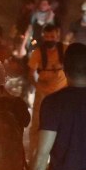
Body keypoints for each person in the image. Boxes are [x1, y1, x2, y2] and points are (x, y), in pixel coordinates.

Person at [27, 24, 67, 157]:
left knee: (63, 125)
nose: (50, 39)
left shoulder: (65, 50)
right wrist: (38, 87)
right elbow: (30, 73)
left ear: (58, 36)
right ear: (43, 37)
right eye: (47, 37)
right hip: (43, 94)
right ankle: (35, 153)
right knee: (37, 124)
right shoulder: (38, 53)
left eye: (52, 36)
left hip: (62, 93)